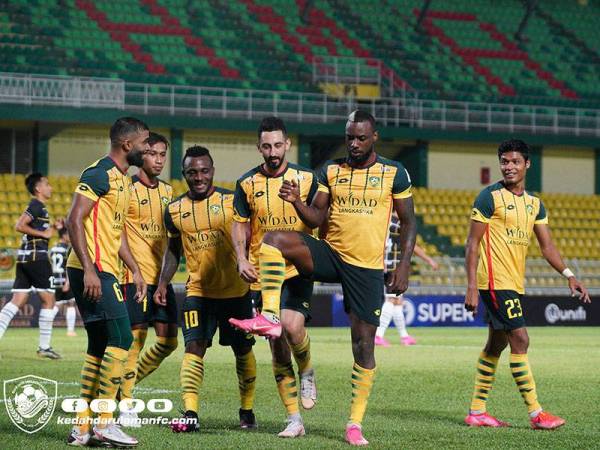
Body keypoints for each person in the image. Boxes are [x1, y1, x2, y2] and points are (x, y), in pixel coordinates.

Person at [231, 110, 416, 446]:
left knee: (362, 345)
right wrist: (298, 202)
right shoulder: (331, 170)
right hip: (331, 255)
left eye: (361, 138)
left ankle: (354, 423)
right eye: (350, 138)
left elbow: (409, 222)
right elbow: (316, 217)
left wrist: (402, 266)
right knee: (275, 239)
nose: (355, 144)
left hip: (366, 268)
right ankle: (270, 314)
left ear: (374, 137)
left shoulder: (394, 172)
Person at [463, 139, 591, 430]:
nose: (509, 167)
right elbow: (472, 243)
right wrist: (471, 285)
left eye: (514, 162)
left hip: (513, 283)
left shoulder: (535, 204)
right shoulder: (489, 197)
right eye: (504, 162)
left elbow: (547, 247)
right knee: (520, 339)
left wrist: (569, 274)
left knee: (496, 344)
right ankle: (536, 414)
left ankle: (477, 411)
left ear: (526, 164)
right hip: (495, 282)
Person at [155, 146, 257, 433]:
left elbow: (251, 240)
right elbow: (173, 251)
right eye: (192, 172)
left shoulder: (232, 201)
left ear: (212, 170)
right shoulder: (174, 210)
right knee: (194, 347)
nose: (198, 177)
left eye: (204, 171)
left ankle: (247, 409)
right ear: (184, 174)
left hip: (237, 293)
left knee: (242, 350)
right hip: (198, 292)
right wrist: (163, 282)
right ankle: (190, 412)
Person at [231, 117, 319, 438]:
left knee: (293, 328)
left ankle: (307, 369)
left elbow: (318, 216)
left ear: (288, 145)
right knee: (277, 344)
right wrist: (241, 257)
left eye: (278, 145)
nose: (272, 151)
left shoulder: (307, 179)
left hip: (297, 268)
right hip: (261, 276)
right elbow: (239, 224)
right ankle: (294, 419)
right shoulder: (246, 184)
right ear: (259, 148)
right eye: (266, 146)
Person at [65, 117, 149, 447]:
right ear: (127, 144)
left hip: (104, 268)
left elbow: (117, 234)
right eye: (144, 142)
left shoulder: (124, 181)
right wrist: (89, 269)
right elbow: (74, 218)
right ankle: (104, 423)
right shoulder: (98, 173)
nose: (148, 147)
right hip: (93, 270)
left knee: (99, 347)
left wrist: (137, 270)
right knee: (123, 337)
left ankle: (81, 428)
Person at [118, 132, 178, 427]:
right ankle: (126, 404)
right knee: (136, 341)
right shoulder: (127, 188)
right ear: (141, 155)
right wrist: (135, 270)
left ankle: (123, 385)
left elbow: (171, 239)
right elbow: (117, 233)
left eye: (163, 154)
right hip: (134, 276)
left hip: (161, 278)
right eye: (153, 153)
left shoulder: (168, 192)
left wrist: (166, 279)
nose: (158, 159)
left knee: (169, 342)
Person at [0, 173, 61, 358]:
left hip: (25, 258)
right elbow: (20, 225)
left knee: (17, 301)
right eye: (47, 184)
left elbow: (41, 233)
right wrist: (43, 235)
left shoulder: (40, 208)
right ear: (38, 189)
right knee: (49, 300)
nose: (50, 187)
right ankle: (44, 347)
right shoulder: (37, 205)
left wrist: (53, 229)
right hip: (37, 259)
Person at [375, 218, 439, 347]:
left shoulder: (386, 221)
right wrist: (429, 260)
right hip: (392, 267)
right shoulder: (398, 224)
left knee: (398, 302)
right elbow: (412, 245)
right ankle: (378, 335)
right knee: (391, 300)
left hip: (390, 265)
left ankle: (404, 336)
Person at [50, 226, 78, 337]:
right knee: (71, 303)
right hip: (64, 279)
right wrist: (67, 282)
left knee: (56, 305)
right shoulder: (68, 249)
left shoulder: (53, 249)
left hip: (55, 280)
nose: (70, 237)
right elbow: (68, 266)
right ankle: (70, 331)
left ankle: (46, 326)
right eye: (69, 234)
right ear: (64, 235)